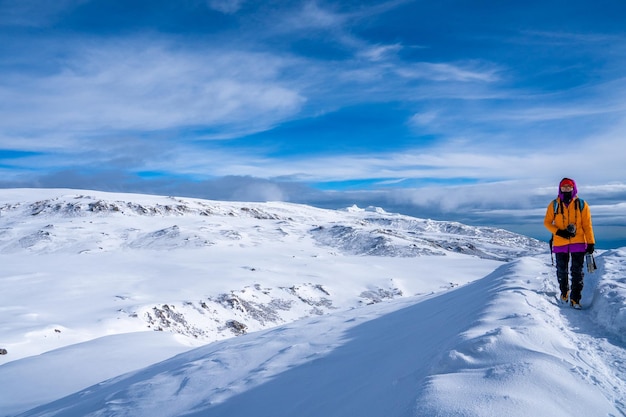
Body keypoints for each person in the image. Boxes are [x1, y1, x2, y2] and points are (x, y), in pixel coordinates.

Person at [543, 178, 595, 309]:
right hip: (560, 242)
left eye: (569, 186)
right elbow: (547, 222)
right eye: (564, 187)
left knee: (577, 271)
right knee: (562, 270)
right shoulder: (554, 204)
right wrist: (559, 232)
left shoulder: (582, 204)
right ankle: (564, 292)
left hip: (578, 242)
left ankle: (575, 299)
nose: (566, 189)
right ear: (560, 188)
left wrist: (590, 243)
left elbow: (587, 225)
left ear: (574, 188)